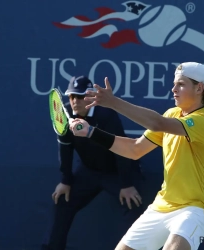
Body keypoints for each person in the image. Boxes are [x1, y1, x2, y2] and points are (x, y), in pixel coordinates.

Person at [70, 62, 204, 250]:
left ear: (199, 88)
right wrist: (91, 132)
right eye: (174, 84)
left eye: (181, 84)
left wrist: (113, 102)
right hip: (162, 206)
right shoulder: (173, 113)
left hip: (194, 209)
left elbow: (157, 123)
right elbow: (134, 149)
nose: (173, 89)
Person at [41, 76, 144, 250]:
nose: (75, 101)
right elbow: (65, 148)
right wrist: (65, 180)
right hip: (88, 172)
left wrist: (126, 184)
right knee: (62, 201)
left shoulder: (106, 115)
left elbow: (123, 151)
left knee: (133, 205)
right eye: (72, 97)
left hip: (116, 172)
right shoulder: (64, 114)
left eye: (80, 97)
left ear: (90, 97)